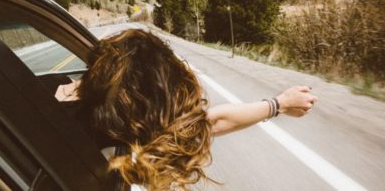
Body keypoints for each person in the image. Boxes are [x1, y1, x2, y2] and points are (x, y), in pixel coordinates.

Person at [55, 29, 317, 191]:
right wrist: (279, 104)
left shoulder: (47, 115)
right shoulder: (130, 136)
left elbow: (209, 122)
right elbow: (210, 122)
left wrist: (279, 104)